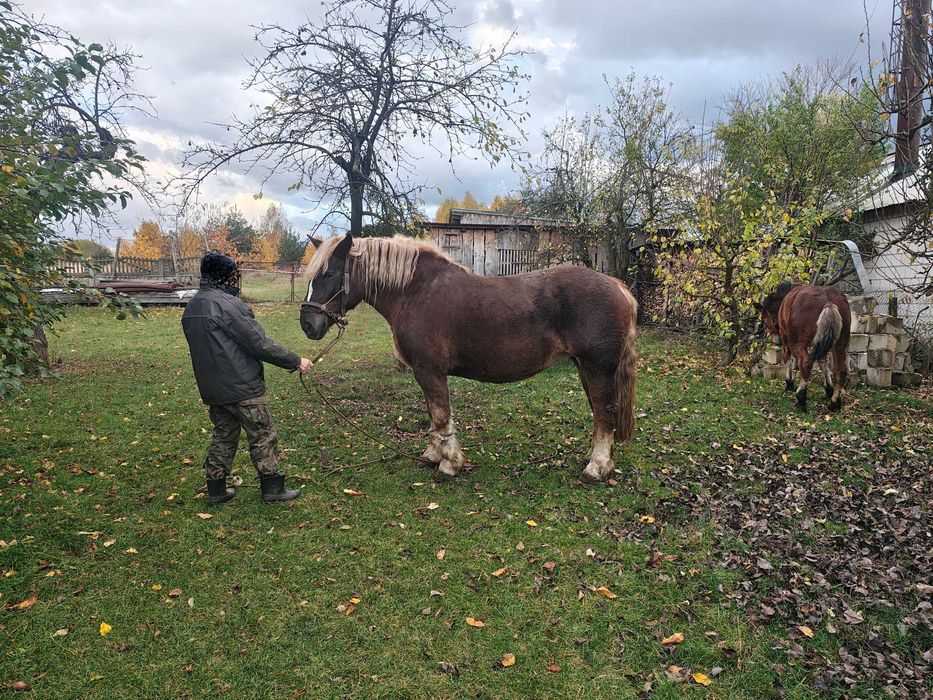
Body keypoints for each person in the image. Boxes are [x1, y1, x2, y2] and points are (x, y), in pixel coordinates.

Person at [181, 252, 312, 505]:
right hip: (244, 388)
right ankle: (272, 487)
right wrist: (296, 361)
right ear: (224, 276)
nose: (235, 280)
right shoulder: (230, 306)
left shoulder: (192, 306)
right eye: (232, 274)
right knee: (262, 435)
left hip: (214, 390)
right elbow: (259, 343)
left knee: (224, 435)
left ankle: (216, 489)